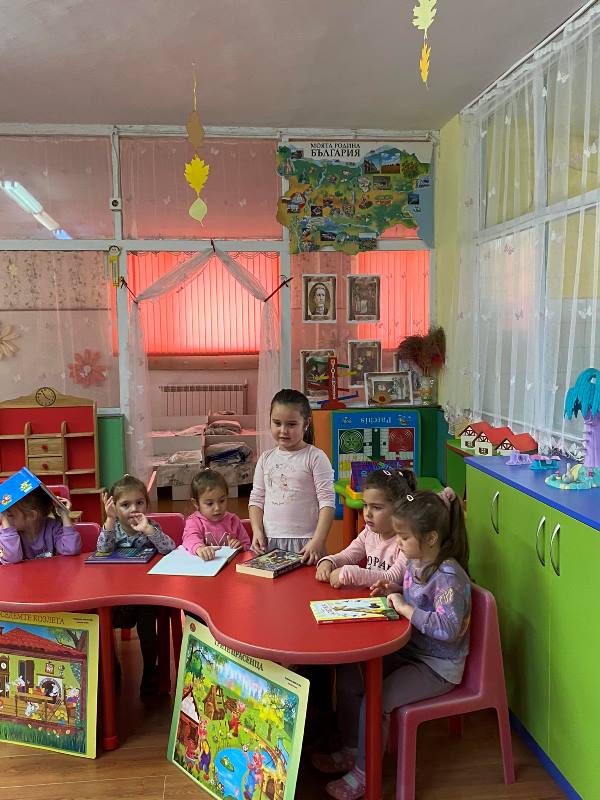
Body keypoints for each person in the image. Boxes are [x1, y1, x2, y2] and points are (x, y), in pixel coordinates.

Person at [315, 487, 471, 800]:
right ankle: (352, 748)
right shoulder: (416, 561)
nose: (397, 544)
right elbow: (413, 595)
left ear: (431, 538)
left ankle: (365, 772)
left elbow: (448, 628)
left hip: (437, 667)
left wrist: (405, 607)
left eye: (403, 537)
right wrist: (393, 587)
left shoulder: (449, 577)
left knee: (378, 698)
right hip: (411, 650)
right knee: (351, 674)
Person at [97, 474, 176, 695]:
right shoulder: (113, 528)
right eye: (125, 505)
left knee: (148, 630)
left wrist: (148, 530)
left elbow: (170, 549)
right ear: (114, 507)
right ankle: (111, 668)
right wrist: (109, 520)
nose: (133, 509)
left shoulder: (151, 526)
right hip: (117, 597)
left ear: (146, 504)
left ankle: (150, 670)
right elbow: (102, 550)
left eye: (139, 502)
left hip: (145, 597)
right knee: (101, 623)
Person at [249, 389, 335, 564]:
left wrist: (318, 540)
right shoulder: (265, 459)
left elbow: (327, 502)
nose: (283, 430)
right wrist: (257, 531)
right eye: (277, 423)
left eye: (291, 424)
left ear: (306, 423)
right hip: (269, 543)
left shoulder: (315, 457)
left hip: (306, 545)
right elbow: (256, 499)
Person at [315, 468, 416, 588]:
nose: (368, 513)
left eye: (377, 507)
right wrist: (329, 561)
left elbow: (392, 577)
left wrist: (351, 573)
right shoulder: (369, 532)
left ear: (399, 509)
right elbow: (348, 555)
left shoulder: (407, 541)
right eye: (365, 505)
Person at [182, 468, 251, 560]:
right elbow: (189, 538)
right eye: (210, 503)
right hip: (204, 566)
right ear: (196, 503)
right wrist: (200, 548)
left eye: (222, 501)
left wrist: (240, 546)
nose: (217, 508)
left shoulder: (233, 520)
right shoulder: (194, 521)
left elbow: (247, 544)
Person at [0, 488, 80, 564]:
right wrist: (7, 528)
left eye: (10, 515)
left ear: (31, 515)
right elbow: (12, 560)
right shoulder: (5, 534)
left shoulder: (53, 527)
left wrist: (64, 514)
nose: (5, 520)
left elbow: (71, 549)